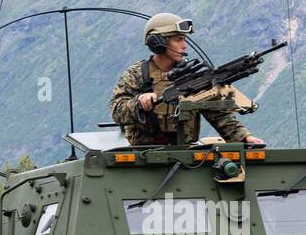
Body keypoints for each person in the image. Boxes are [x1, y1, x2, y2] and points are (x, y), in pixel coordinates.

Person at [109, 13, 266, 147]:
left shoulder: (191, 76)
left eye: (184, 39)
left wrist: (244, 137)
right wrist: (139, 102)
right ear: (158, 43)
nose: (184, 45)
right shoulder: (137, 74)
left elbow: (217, 113)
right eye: (178, 40)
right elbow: (117, 111)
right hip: (145, 155)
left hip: (187, 154)